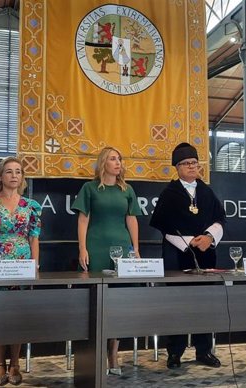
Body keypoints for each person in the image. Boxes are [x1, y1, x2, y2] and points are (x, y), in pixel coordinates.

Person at [149, 142, 226, 370]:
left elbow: (221, 219)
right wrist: (188, 242)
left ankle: (204, 351)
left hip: (205, 255)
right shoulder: (169, 193)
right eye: (186, 164)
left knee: (205, 303)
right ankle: (175, 352)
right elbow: (162, 225)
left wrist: (209, 238)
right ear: (177, 167)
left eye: (194, 163)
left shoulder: (206, 191)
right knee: (177, 304)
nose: (192, 167)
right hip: (176, 255)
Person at [71, 146, 141, 376]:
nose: (118, 162)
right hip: (96, 247)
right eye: (113, 159)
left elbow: (131, 220)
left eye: (119, 159)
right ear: (103, 163)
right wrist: (82, 248)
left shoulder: (127, 189)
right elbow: (83, 220)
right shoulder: (89, 188)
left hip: (122, 248)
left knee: (118, 302)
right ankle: (96, 354)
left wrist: (136, 250)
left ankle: (113, 353)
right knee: (96, 301)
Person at [0, 156, 41, 386]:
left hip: (22, 263)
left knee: (19, 313)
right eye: (10, 171)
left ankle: (15, 363)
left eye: (19, 172)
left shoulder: (31, 206)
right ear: (0, 176)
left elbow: (34, 238)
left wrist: (35, 265)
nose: (14, 175)